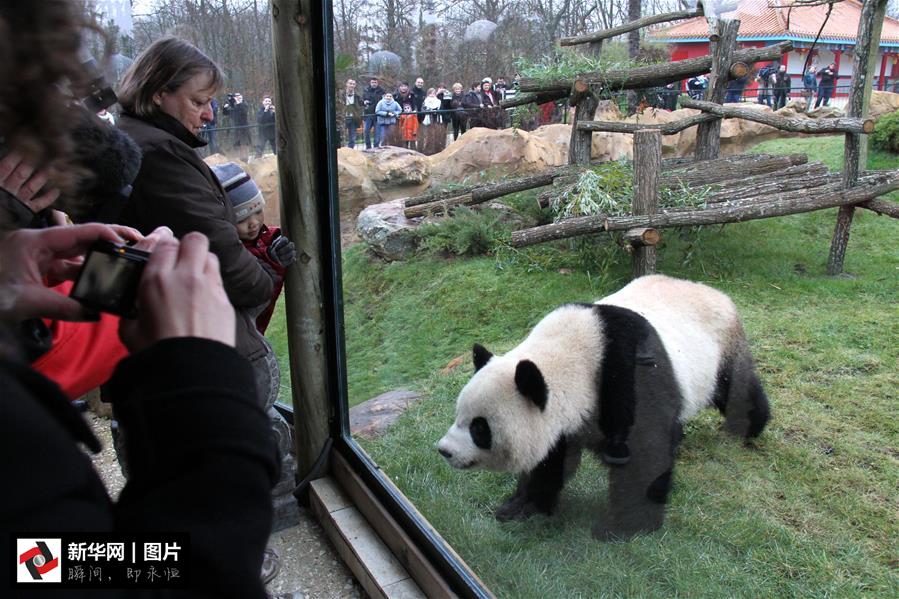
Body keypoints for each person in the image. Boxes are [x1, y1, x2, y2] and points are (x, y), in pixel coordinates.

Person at [115, 37, 280, 413]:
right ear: (158, 94)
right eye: (198, 102)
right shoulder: (159, 153)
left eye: (210, 103)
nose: (209, 115)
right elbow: (213, 243)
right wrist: (264, 282)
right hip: (200, 341)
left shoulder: (132, 136)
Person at [212, 162, 296, 334]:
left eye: (257, 211)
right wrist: (271, 260)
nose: (254, 223)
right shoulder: (226, 254)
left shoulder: (265, 239)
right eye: (241, 220)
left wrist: (276, 241)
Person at [222, 91, 252, 161]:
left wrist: (238, 102)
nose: (238, 99)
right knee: (236, 146)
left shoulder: (244, 105)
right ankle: (238, 160)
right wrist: (225, 108)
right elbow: (226, 113)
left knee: (244, 145)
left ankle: (245, 160)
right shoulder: (234, 106)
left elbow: (244, 112)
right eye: (237, 98)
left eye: (240, 98)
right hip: (236, 130)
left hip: (244, 129)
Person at [362, 76, 385, 149]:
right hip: (368, 114)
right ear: (370, 83)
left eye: (375, 82)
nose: (374, 84)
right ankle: (368, 147)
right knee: (366, 131)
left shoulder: (382, 91)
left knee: (377, 133)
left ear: (377, 83)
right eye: (372, 82)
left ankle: (376, 147)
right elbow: (362, 100)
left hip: (378, 115)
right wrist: (364, 102)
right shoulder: (366, 90)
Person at [340, 78, 363, 148]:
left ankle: (350, 152)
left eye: (353, 84)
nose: (352, 85)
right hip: (342, 118)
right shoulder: (341, 94)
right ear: (346, 84)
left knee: (352, 137)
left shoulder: (357, 96)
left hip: (353, 118)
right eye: (350, 83)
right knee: (341, 137)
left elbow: (360, 105)